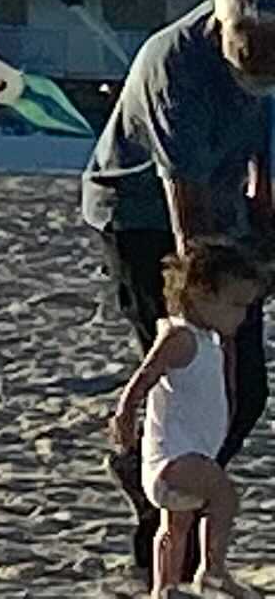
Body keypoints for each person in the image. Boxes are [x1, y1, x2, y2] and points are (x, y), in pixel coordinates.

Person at [89, 0, 275, 579]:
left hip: (226, 207)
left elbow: (265, 170)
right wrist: (205, 307)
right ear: (220, 32)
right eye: (249, 72)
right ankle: (162, 529)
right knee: (195, 374)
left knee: (245, 394)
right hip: (143, 218)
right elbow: (187, 222)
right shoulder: (176, 69)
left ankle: (171, 493)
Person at [116, 240, 270, 595]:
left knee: (175, 527)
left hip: (188, 454)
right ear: (201, 295)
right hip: (174, 457)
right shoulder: (181, 337)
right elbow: (144, 376)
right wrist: (125, 414)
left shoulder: (207, 339)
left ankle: (164, 586)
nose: (242, 317)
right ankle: (212, 570)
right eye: (236, 305)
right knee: (224, 497)